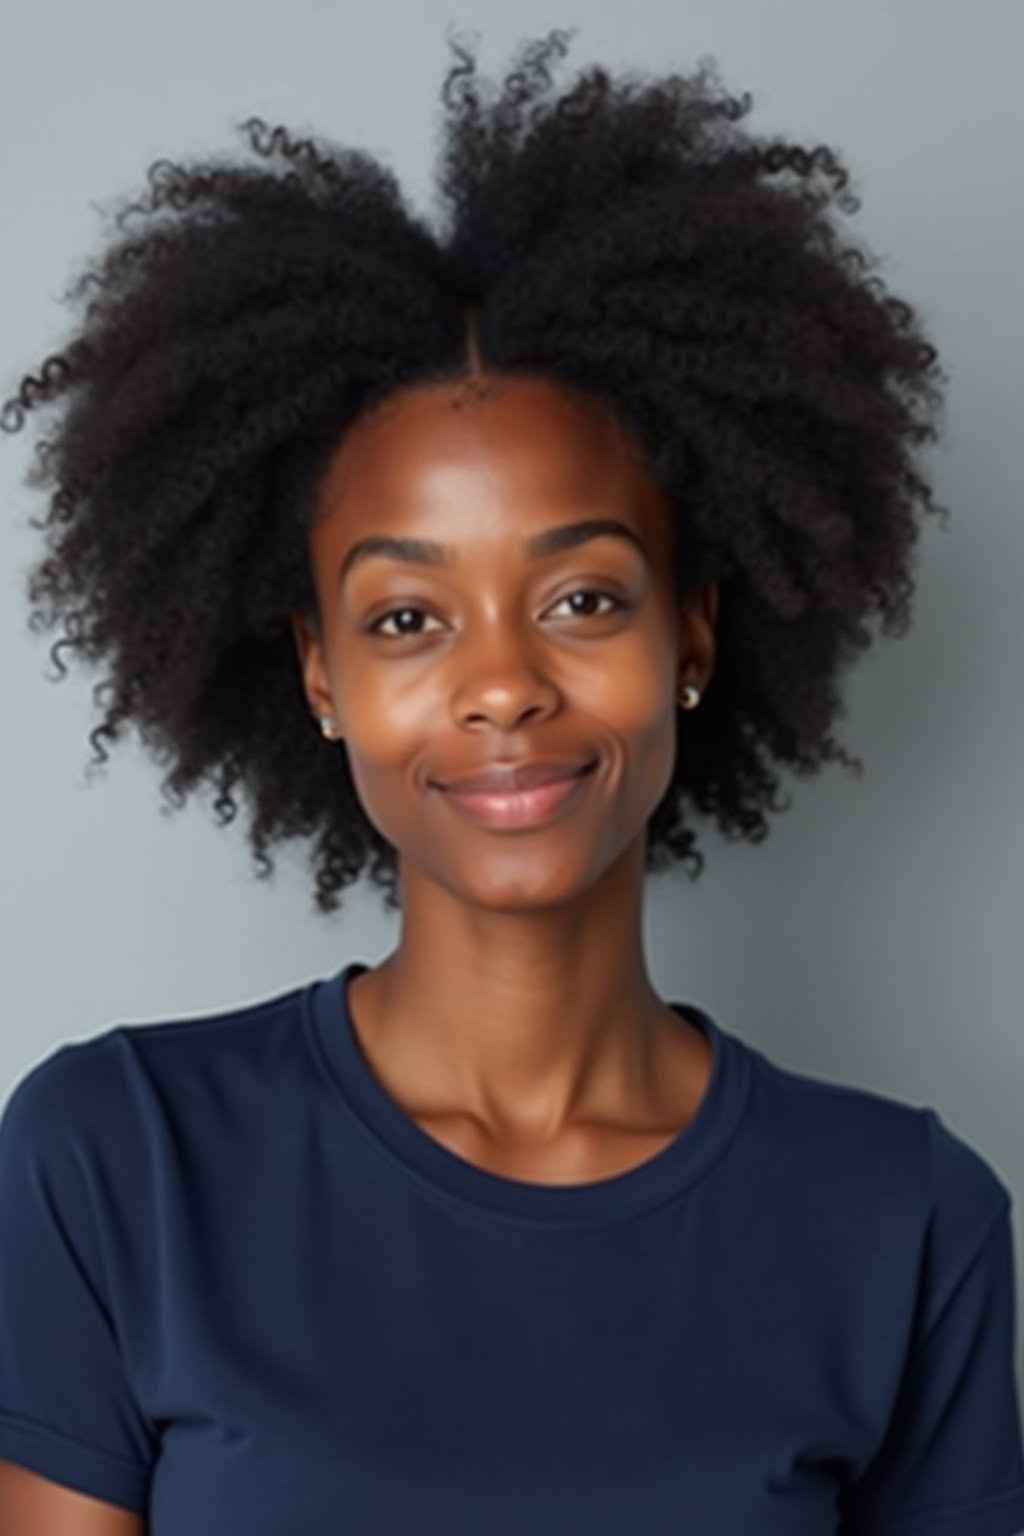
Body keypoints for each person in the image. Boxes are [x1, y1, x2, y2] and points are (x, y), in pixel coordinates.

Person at [1, 25, 1022, 1536]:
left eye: (584, 599)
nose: (500, 683)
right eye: (407, 617)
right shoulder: (121, 1158)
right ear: (319, 674)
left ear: (693, 631)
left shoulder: (909, 1220)